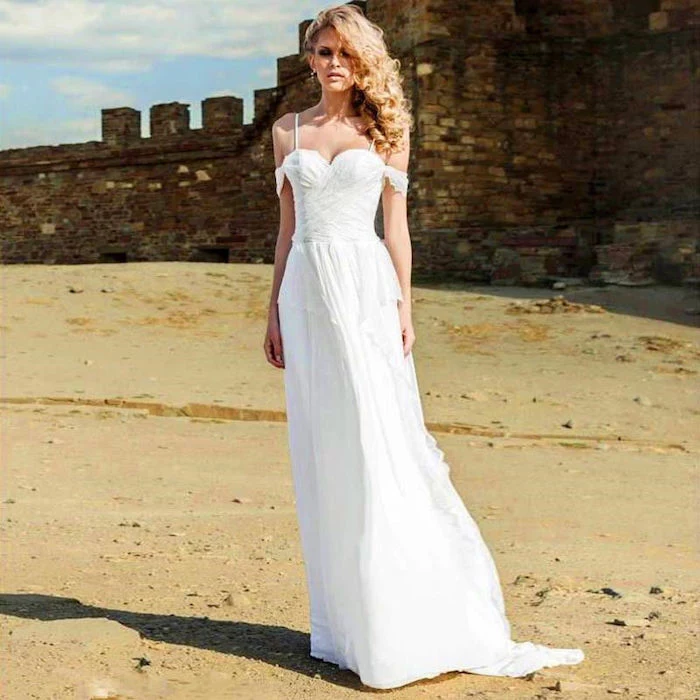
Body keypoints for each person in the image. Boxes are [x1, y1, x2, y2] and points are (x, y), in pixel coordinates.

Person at [263, 4, 585, 691]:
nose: (331, 63)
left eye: (342, 52)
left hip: (367, 288)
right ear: (309, 59)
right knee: (328, 448)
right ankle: (346, 628)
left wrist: (404, 305)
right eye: (320, 52)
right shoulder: (285, 130)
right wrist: (272, 310)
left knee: (383, 441)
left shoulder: (386, 130)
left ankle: (408, 619)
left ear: (362, 58)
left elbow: (396, 229)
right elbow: (286, 230)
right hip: (307, 293)